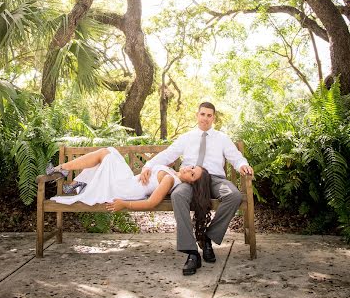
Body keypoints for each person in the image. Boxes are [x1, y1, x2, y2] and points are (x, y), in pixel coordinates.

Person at [139, 102, 254, 276]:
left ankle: (207, 238)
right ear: (197, 115)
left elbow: (236, 157)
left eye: (209, 115)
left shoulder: (222, 138)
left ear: (213, 118)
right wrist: (148, 165)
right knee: (178, 195)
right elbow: (168, 154)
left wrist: (243, 165)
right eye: (203, 114)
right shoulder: (187, 137)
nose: (205, 118)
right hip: (190, 180)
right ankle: (192, 253)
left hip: (214, 180)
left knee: (233, 195)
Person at [46, 147, 213, 246]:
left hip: (127, 189)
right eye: (192, 168)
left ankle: (65, 171)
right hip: (129, 181)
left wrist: (125, 205)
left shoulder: (170, 179)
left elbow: (151, 203)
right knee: (109, 152)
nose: (188, 170)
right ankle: (75, 182)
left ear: (191, 183)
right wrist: (148, 169)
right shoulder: (171, 172)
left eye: (192, 175)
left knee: (107, 154)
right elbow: (159, 163)